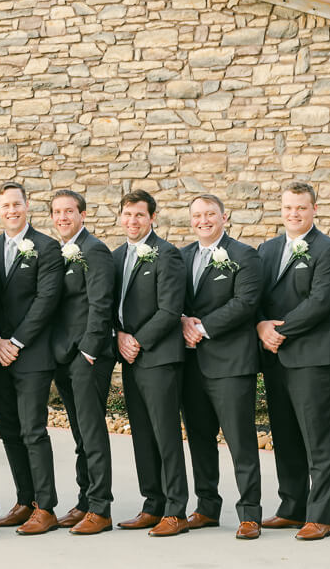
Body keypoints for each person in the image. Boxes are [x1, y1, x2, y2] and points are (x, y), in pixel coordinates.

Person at [256, 181, 330, 541]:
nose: (294, 214)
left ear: (314, 209)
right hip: (275, 359)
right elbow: (253, 294)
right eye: (288, 207)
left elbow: (321, 302)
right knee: (286, 436)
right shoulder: (267, 249)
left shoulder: (329, 250)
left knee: (318, 439)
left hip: (312, 358)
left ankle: (320, 515)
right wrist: (260, 325)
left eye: (301, 208)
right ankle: (291, 507)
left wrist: (280, 331)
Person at [178, 194, 263, 539]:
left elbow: (245, 302)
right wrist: (182, 320)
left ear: (224, 217)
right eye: (197, 215)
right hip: (190, 365)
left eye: (210, 214)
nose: (203, 220)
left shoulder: (244, 255)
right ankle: (207, 507)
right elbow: (170, 299)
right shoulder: (180, 257)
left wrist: (200, 327)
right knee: (199, 438)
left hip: (230, 363)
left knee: (240, 440)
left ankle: (250, 514)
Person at [0, 182, 63, 536]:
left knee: (33, 430)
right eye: (5, 205)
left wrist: (15, 341)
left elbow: (47, 301)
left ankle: (45, 507)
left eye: (17, 204)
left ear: (27, 206)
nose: (12, 210)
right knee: (9, 430)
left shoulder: (46, 248)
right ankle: (24, 500)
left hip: (32, 354)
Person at [112, 189, 190, 537]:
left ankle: (176, 510)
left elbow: (170, 309)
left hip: (159, 358)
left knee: (166, 434)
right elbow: (109, 306)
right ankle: (152, 504)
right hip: (129, 357)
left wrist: (138, 340)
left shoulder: (167, 254)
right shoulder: (116, 258)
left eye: (140, 216)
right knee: (142, 434)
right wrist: (118, 337)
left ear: (152, 218)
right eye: (127, 215)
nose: (133, 221)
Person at [48, 189, 117, 536]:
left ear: (83, 215)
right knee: (78, 434)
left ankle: (101, 508)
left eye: (69, 211)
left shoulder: (95, 250)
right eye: (57, 212)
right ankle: (85, 501)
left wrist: (89, 351)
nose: (63, 217)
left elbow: (101, 304)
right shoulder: (56, 252)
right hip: (63, 355)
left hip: (89, 357)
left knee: (91, 431)